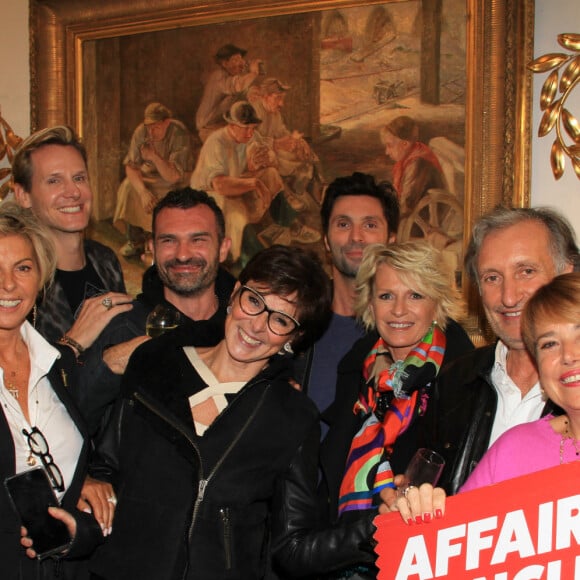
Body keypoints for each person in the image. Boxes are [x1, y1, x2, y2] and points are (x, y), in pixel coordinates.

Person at [86, 245, 337, 579]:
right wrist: (86, 489)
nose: (257, 326)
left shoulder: (292, 417)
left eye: (280, 320)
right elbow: (107, 466)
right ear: (234, 294)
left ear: (295, 337)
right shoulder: (155, 360)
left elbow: (292, 546)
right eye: (254, 301)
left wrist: (375, 528)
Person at [317, 241, 474, 578]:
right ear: (370, 304)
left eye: (415, 295)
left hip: (420, 560)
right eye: (386, 296)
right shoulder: (357, 370)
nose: (399, 310)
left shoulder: (464, 378)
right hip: (342, 555)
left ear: (438, 303)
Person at [413, 206, 578, 495]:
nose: (509, 296)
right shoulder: (453, 382)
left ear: (566, 273)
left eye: (526, 271)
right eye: (492, 278)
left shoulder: (571, 384)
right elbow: (428, 494)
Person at [393, 272, 580, 524]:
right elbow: (456, 547)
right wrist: (424, 520)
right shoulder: (514, 448)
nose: (568, 355)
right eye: (549, 344)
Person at [77, 187, 236, 436]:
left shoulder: (247, 330)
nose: (183, 254)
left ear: (223, 248)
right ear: (152, 247)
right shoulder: (120, 327)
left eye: (198, 240)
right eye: (169, 240)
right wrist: (107, 368)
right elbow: (69, 426)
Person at [0, 202, 102, 579]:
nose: (8, 285)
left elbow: (78, 489)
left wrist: (81, 532)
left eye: (22, 268)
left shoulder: (57, 365)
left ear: (41, 276)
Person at [12, 125, 133, 352]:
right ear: (23, 195)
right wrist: (74, 341)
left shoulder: (105, 260)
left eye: (79, 178)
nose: (73, 192)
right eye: (54, 181)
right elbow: (15, 376)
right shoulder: (17, 278)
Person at [191, 100, 318, 269]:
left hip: (234, 183)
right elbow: (220, 185)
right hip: (210, 194)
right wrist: (254, 183)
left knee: (271, 175)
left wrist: (262, 161)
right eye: (246, 128)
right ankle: (252, 258)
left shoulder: (249, 135)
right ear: (232, 125)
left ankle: (289, 225)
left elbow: (263, 147)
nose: (250, 133)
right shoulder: (217, 142)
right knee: (237, 212)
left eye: (253, 128)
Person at [114, 102, 194, 257]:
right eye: (148, 126)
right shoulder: (141, 132)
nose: (151, 131)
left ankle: (160, 242)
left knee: (169, 197)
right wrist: (143, 191)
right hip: (150, 176)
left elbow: (174, 176)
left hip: (174, 180)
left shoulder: (178, 133)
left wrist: (153, 157)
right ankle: (135, 240)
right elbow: (131, 166)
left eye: (155, 126)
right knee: (128, 187)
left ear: (166, 122)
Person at [249, 77, 323, 211]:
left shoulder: (274, 113)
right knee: (274, 157)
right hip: (255, 155)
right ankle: (288, 194)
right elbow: (251, 140)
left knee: (304, 152)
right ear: (265, 96)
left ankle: (317, 188)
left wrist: (297, 141)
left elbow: (282, 132)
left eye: (282, 98)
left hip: (271, 149)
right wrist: (276, 144)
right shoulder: (254, 111)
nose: (281, 103)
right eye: (277, 98)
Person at [380, 115, 447, 217]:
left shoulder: (418, 164)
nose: (387, 152)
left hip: (421, 222)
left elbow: (406, 206)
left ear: (405, 144)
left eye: (390, 145)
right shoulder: (409, 157)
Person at [195, 43, 263, 142]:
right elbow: (236, 86)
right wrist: (253, 73)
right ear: (225, 64)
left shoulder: (232, 78)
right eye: (235, 60)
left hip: (224, 125)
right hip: (209, 129)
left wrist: (251, 93)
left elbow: (242, 92)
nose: (241, 63)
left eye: (241, 59)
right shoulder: (218, 76)